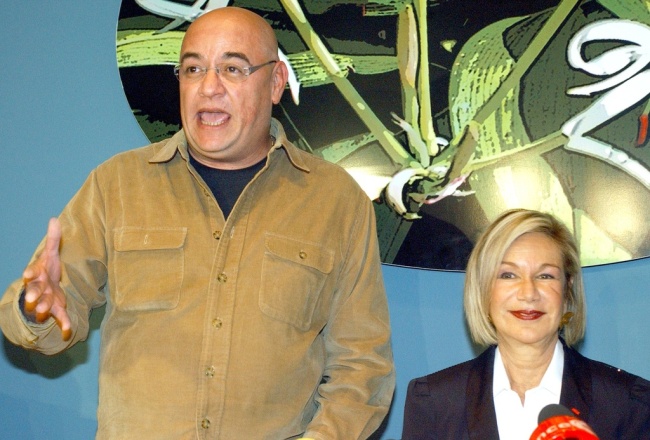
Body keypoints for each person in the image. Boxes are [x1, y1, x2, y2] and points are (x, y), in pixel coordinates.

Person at [0, 7, 394, 439]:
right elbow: (46, 323)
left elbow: (363, 367)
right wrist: (34, 309)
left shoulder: (336, 201)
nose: (209, 87)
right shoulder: (117, 185)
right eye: (193, 69)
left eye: (232, 68)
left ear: (276, 82)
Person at [402, 209, 650, 440]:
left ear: (567, 290)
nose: (528, 293)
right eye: (508, 275)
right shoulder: (434, 401)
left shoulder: (629, 403)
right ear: (483, 289)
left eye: (545, 275)